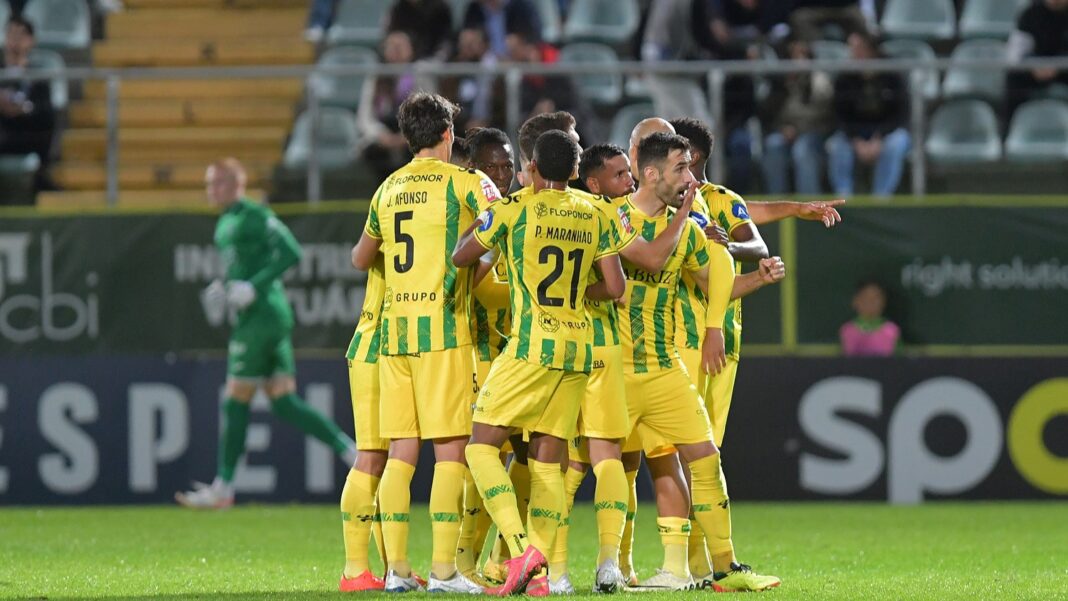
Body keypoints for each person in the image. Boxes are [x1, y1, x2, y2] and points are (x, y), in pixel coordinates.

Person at [669, 116, 842, 591]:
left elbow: (752, 236)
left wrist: (741, 237)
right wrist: (794, 208)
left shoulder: (718, 201)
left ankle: (695, 563)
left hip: (715, 335)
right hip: (668, 337)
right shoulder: (654, 203)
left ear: (691, 159)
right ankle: (687, 563)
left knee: (698, 452)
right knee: (673, 453)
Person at [453, 129, 627, 597]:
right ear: (575, 171)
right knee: (550, 463)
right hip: (578, 349)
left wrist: (489, 217)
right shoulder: (597, 213)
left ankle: (520, 547)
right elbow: (615, 288)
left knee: (479, 447)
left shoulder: (515, 209)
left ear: (531, 168)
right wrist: (572, 297)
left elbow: (461, 255)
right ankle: (540, 577)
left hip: (530, 347)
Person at [614, 132, 784, 590]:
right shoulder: (611, 217)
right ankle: (594, 566)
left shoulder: (686, 227)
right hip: (612, 369)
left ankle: (716, 568)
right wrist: (687, 216)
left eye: (690, 168)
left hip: (662, 365)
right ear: (649, 174)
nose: (691, 179)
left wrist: (757, 280)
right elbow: (649, 260)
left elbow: (713, 285)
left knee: (701, 461)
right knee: (605, 468)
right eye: (681, 170)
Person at [351, 92, 499, 594]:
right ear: (447, 135)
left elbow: (361, 257)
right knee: (452, 450)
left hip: (394, 335)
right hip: (443, 328)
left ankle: (395, 572)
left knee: (400, 452)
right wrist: (473, 263)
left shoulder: (387, 188)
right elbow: (503, 227)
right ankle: (443, 571)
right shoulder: (467, 181)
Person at [175, 159, 358, 509]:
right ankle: (350, 451)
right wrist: (228, 287)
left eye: (214, 184)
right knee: (283, 400)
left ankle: (223, 487)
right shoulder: (227, 220)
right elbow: (243, 267)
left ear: (232, 185)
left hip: (262, 317)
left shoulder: (253, 215)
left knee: (235, 396)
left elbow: (291, 252)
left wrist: (254, 288)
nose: (209, 191)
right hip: (262, 315)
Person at [827, 32, 911, 198]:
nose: (854, 54)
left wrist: (879, 137)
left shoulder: (893, 74)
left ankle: (881, 198)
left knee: (896, 144)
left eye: (858, 49)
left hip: (886, 131)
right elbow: (840, 115)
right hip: (855, 133)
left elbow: (901, 115)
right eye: (852, 49)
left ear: (872, 50)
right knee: (837, 146)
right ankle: (844, 198)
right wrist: (856, 140)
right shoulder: (845, 77)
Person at [759, 37, 834, 195]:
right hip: (785, 133)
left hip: (814, 134)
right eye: (794, 56)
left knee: (802, 150)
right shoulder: (780, 82)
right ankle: (776, 206)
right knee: (773, 145)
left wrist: (798, 130)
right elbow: (767, 114)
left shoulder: (819, 81)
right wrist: (782, 128)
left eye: (802, 55)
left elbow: (823, 115)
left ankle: (810, 208)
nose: (798, 61)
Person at [357, 31, 435, 181]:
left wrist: (407, 136)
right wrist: (381, 135)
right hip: (383, 133)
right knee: (373, 152)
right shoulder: (376, 78)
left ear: (411, 49)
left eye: (401, 46)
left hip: (413, 133)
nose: (396, 51)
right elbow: (364, 116)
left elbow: (430, 113)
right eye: (392, 47)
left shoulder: (421, 74)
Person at [0, 17, 55, 194]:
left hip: (26, 133)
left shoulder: (37, 76)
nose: (15, 40)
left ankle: (40, 180)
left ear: (31, 41)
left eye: (21, 35)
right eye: (11, 34)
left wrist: (24, 109)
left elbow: (46, 113)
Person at [1007, 0, 1068, 115]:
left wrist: (1058, 66)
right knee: (1014, 76)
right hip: (1035, 69)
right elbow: (1016, 52)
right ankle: (1010, 125)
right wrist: (1033, 65)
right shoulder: (1030, 13)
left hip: (1064, 68)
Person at [462, 0, 543, 58]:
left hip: (515, 62)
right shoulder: (474, 8)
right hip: (484, 62)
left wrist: (520, 43)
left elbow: (535, 39)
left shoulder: (522, 6)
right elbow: (465, 36)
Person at [840, 280, 899, 357]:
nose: (870, 302)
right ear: (855, 301)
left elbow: (900, 363)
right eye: (865, 297)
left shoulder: (892, 331)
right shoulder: (846, 330)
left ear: (883, 302)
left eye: (875, 298)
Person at [386, 0, 454, 59]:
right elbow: (390, 34)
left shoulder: (440, 8)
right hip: (404, 62)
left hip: (433, 59)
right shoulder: (397, 8)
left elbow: (446, 41)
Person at [789, 0, 877, 43]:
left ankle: (868, 57)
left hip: (844, 7)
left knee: (860, 19)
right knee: (800, 18)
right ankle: (817, 54)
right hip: (815, 8)